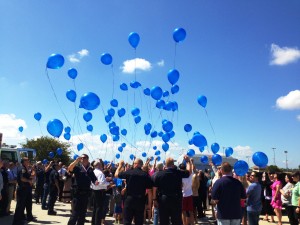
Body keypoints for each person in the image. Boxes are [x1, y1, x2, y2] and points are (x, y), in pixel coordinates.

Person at [153, 156, 191, 225]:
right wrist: (188, 161)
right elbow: (189, 172)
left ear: (165, 164)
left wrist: (154, 199)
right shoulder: (178, 172)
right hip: (176, 199)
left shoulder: (159, 174)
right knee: (176, 220)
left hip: (163, 199)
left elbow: (154, 188)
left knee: (164, 220)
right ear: (173, 164)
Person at [115, 158, 153, 225]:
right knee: (139, 221)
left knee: (127, 221)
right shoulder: (145, 175)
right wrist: (150, 204)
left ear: (135, 164)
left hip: (129, 199)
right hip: (140, 200)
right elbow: (149, 190)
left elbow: (116, 175)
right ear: (141, 165)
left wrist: (120, 166)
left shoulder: (129, 172)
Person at [67, 154, 97, 225]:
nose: (82, 159)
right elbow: (70, 168)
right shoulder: (78, 168)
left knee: (83, 213)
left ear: (87, 159)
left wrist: (98, 182)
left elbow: (94, 180)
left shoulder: (90, 169)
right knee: (75, 213)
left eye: (84, 158)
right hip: (77, 193)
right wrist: (76, 160)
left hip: (86, 194)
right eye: (81, 158)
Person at [12, 157, 37, 225]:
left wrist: (33, 170)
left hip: (27, 189)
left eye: (28, 160)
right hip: (22, 189)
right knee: (20, 205)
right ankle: (16, 221)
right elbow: (22, 178)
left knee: (28, 203)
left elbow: (31, 176)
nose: (29, 161)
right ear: (24, 161)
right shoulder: (22, 168)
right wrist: (29, 181)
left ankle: (28, 217)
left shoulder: (26, 169)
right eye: (27, 160)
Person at [90, 159, 110, 225]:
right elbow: (102, 183)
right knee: (99, 208)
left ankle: (93, 222)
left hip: (94, 191)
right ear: (99, 165)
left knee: (95, 208)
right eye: (101, 164)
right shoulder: (100, 173)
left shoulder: (93, 172)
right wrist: (108, 183)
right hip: (99, 191)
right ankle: (97, 223)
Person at [180, 158, 194, 225]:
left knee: (183, 212)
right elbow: (190, 170)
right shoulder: (190, 175)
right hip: (190, 194)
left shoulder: (180, 177)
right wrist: (189, 162)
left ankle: (184, 223)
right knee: (190, 211)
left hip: (183, 195)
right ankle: (192, 223)